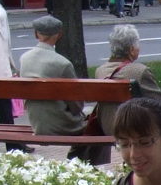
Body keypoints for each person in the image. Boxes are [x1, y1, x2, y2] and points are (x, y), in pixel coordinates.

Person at [16, 15, 102, 159]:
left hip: (36, 123)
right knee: (95, 122)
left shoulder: (24, 58)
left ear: (36, 34)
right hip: (62, 126)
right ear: (59, 35)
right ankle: (79, 162)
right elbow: (77, 105)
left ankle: (76, 159)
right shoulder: (63, 64)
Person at [93, 24, 161, 135]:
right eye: (138, 45)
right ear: (131, 50)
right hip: (135, 129)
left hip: (107, 128)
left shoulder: (100, 71)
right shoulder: (140, 71)